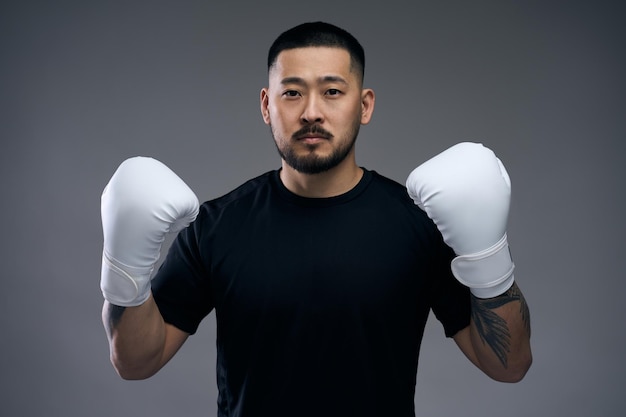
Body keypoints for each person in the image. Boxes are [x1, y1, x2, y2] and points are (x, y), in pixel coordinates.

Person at [100, 21, 532, 417]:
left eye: (332, 91)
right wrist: (124, 273)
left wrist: (490, 259)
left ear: (364, 105)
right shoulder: (216, 226)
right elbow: (136, 363)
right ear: (267, 105)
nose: (311, 112)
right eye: (292, 92)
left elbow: (509, 366)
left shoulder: (420, 225)